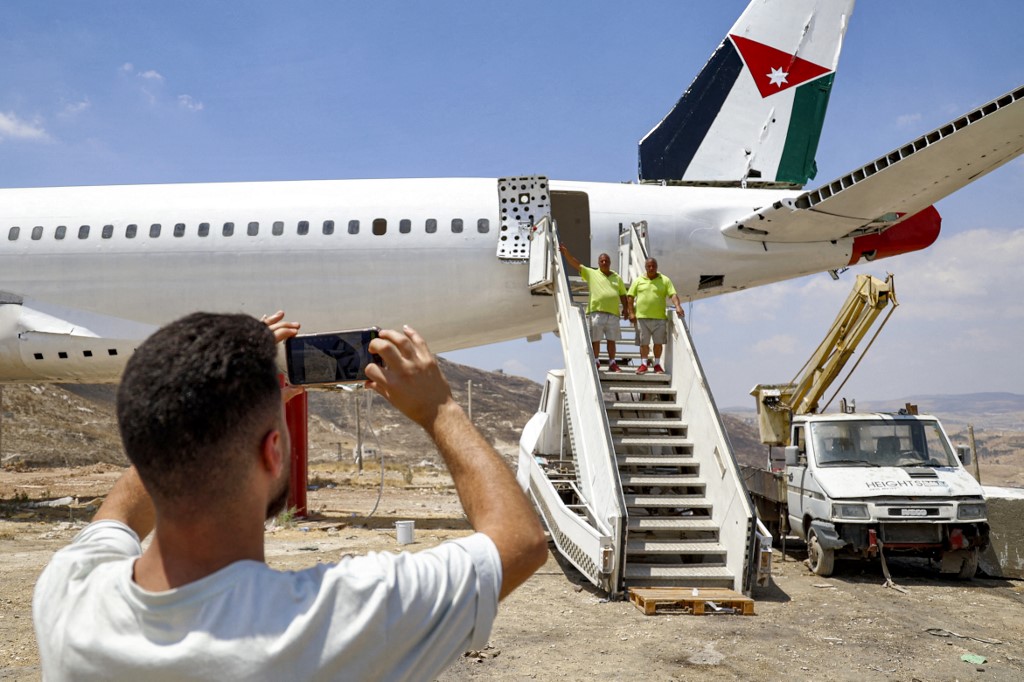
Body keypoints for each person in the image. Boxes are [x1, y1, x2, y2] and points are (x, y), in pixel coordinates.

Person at [33, 311, 547, 681]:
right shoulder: (339, 621)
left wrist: (220, 403)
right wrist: (440, 410)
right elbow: (519, 541)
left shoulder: (68, 592)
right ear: (274, 451)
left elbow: (119, 514)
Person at [559, 244, 628, 371]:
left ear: (610, 263)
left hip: (613, 313)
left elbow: (623, 294)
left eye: (606, 261)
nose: (604, 263)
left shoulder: (617, 277)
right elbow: (576, 264)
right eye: (602, 261)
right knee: (596, 339)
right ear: (598, 263)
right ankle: (596, 361)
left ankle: (612, 362)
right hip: (597, 312)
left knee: (611, 340)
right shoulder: (592, 273)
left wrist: (626, 308)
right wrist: (566, 254)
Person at [627, 257, 684, 374]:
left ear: (657, 267)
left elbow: (673, 294)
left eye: (653, 266)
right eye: (649, 266)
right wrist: (631, 313)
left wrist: (678, 306)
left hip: (659, 318)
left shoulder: (665, 280)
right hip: (642, 318)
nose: (651, 268)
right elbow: (630, 297)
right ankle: (643, 364)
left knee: (658, 343)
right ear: (645, 267)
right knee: (644, 343)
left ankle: (657, 364)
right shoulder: (638, 280)